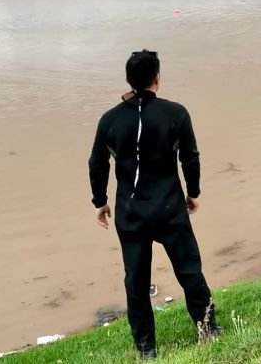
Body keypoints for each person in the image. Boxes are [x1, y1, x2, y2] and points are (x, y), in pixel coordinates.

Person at [89, 50, 220, 359]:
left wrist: (100, 201)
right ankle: (208, 330)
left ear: (128, 80)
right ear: (158, 79)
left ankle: (147, 349)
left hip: (130, 213)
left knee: (136, 281)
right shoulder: (176, 114)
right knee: (189, 271)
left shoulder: (109, 120)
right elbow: (190, 156)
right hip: (169, 209)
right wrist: (194, 193)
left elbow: (97, 164)